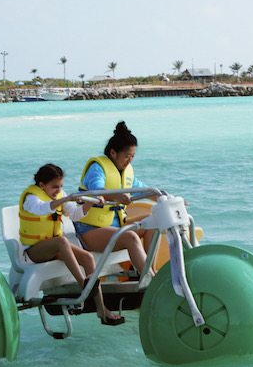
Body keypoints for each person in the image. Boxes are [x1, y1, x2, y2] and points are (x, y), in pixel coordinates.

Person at [19, 163, 124, 325]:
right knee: (62, 241)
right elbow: (40, 209)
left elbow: (75, 214)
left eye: (60, 186)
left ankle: (101, 309)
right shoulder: (30, 197)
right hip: (35, 251)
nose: (58, 190)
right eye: (55, 187)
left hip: (54, 247)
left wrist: (91, 202)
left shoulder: (60, 195)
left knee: (87, 257)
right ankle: (85, 287)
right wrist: (65, 198)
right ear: (42, 185)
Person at [73, 121, 157, 277]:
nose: (130, 160)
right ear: (113, 153)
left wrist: (166, 198)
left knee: (153, 221)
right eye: (127, 156)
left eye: (132, 156)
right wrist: (117, 195)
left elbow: (143, 190)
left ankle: (150, 272)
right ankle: (150, 278)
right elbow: (96, 189)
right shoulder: (97, 168)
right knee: (130, 236)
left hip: (117, 227)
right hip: (91, 232)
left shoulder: (126, 171)